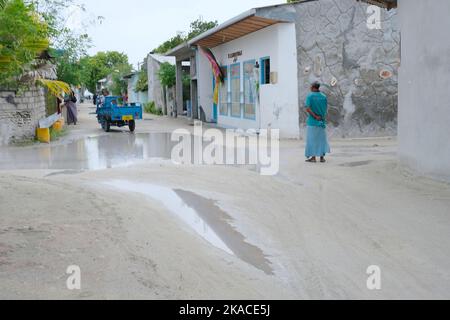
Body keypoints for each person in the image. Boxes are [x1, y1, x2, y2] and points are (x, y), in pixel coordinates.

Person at [304, 82, 330, 163]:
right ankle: (322, 157)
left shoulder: (310, 96)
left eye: (311, 86)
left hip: (312, 122)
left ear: (313, 87)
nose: (310, 88)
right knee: (321, 139)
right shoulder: (323, 96)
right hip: (321, 122)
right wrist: (320, 117)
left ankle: (313, 157)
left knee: (312, 140)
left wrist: (315, 116)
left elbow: (308, 108)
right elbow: (326, 109)